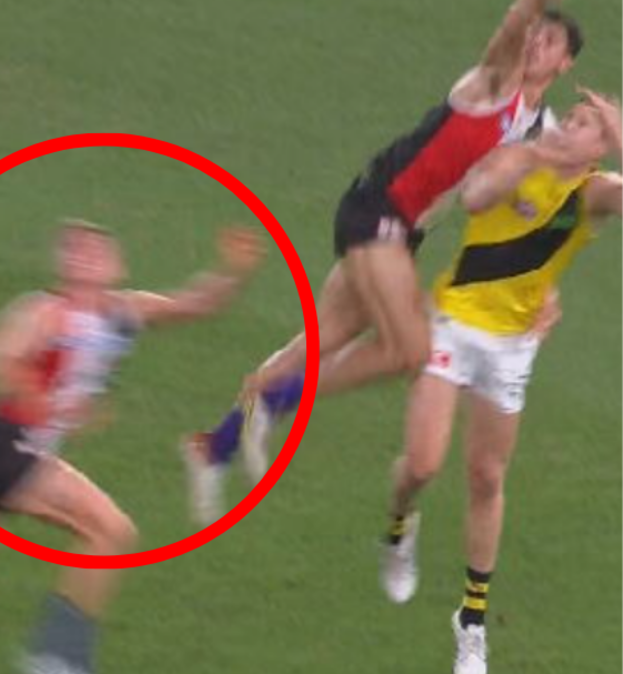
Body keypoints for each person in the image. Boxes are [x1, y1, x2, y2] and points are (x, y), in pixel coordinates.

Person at [181, 1, 584, 524]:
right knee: (411, 352)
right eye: (535, 33)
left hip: (405, 232)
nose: (535, 43)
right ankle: (276, 403)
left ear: (566, 64)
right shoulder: (494, 83)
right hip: (380, 209)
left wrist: (545, 288)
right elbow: (513, 23)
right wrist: (527, 14)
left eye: (549, 41)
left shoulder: (540, 131)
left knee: (319, 341)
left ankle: (214, 448)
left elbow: (532, 213)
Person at [0, 220, 265, 674]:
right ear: (61, 263)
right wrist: (50, 405)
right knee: (111, 531)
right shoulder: (45, 311)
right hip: (9, 448)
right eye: (75, 248)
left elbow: (195, 304)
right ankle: (57, 660)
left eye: (97, 248)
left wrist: (233, 271)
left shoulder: (125, 311)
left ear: (119, 266)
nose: (85, 253)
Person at [379, 91, 621, 674]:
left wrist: (619, 131)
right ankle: (398, 526)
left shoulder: (591, 194)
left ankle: (471, 620)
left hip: (511, 348)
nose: (572, 124)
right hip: (453, 322)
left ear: (600, 148)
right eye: (572, 116)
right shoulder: (516, 156)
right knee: (422, 465)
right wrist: (533, 154)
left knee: (487, 477)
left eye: (587, 124)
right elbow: (476, 197)